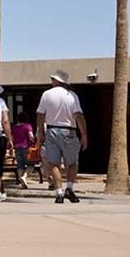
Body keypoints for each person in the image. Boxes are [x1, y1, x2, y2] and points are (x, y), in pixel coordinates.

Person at [34, 70, 88, 203]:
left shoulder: (46, 94)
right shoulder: (72, 96)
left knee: (54, 163)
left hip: (51, 130)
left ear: (57, 81)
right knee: (72, 162)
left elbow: (40, 115)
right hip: (69, 131)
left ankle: (58, 193)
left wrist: (41, 132)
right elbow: (79, 116)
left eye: (53, 79)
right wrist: (84, 134)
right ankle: (69, 188)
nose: (51, 81)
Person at [11, 111, 35, 188]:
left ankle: (21, 182)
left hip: (17, 148)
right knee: (31, 165)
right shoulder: (27, 126)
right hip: (26, 148)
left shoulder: (14, 127)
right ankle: (24, 177)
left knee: (20, 166)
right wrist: (34, 141)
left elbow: (12, 138)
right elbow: (31, 136)